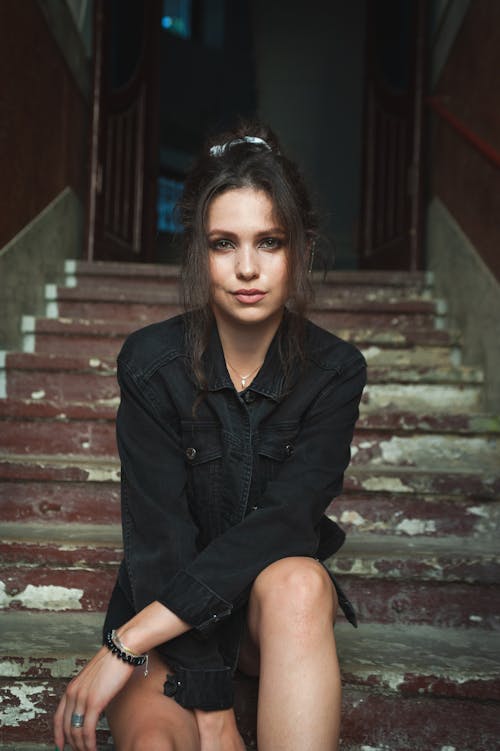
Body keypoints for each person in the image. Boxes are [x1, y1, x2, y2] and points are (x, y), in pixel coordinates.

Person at [54, 123, 366, 751]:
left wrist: (124, 644)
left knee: (301, 578)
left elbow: (286, 523)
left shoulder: (335, 371)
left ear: (299, 251)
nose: (247, 268)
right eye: (225, 243)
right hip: (168, 621)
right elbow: (160, 539)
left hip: (261, 621)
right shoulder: (150, 364)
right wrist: (209, 700)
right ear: (200, 252)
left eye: (269, 242)